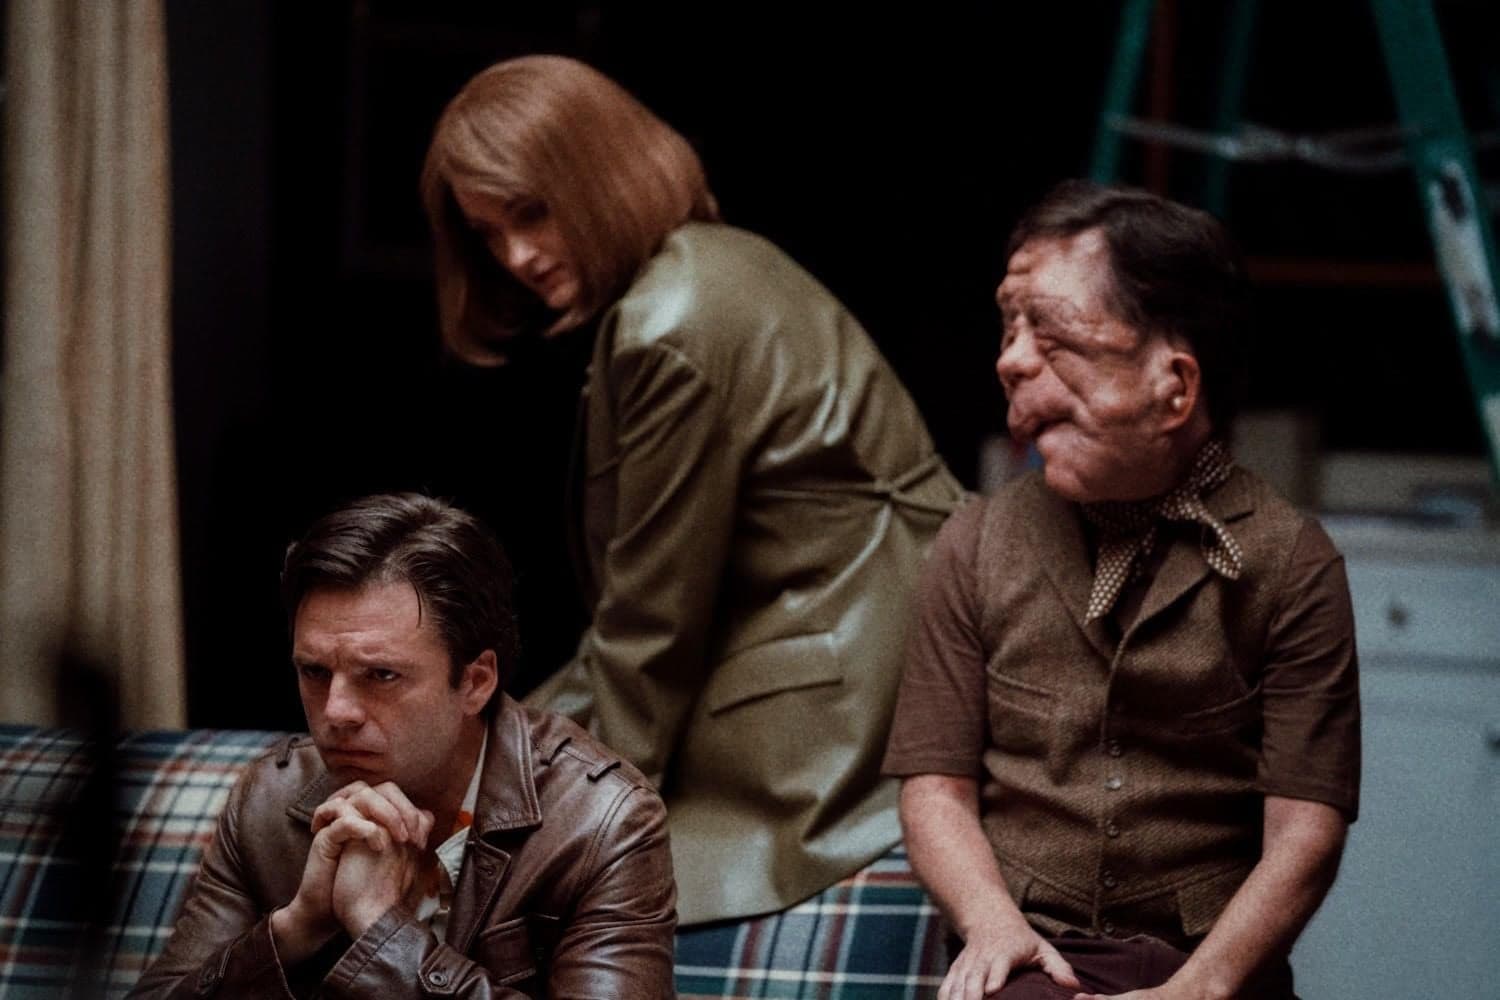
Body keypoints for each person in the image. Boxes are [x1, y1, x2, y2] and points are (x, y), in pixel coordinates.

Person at [420, 54, 965, 925]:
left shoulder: (668, 323)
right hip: (870, 640)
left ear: (599, 175)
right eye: (488, 233)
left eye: (531, 213)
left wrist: (556, 815)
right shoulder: (714, 265)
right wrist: (468, 758)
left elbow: (650, 628)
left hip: (842, 697)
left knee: (495, 883)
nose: (516, 256)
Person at [883, 181, 1361, 1000]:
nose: (1010, 361)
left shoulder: (1290, 564)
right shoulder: (974, 544)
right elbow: (935, 790)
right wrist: (993, 924)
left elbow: (1304, 830)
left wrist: (1200, 987)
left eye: (1053, 334)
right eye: (1009, 328)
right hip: (1030, 952)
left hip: (1214, 964)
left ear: (1174, 386)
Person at [130, 493, 676, 998]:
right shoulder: (267, 802)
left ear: (476, 682)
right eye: (315, 672)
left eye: (381, 675)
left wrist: (382, 929)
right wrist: (295, 929)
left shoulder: (601, 824)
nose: (336, 712)